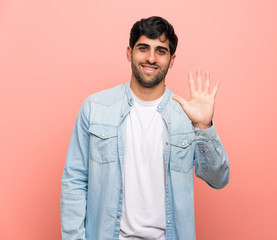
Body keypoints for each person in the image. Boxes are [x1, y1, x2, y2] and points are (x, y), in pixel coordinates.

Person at [61, 16, 230, 240]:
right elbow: (74, 180)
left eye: (161, 51)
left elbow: (218, 179)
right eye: (143, 48)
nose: (151, 58)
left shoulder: (186, 116)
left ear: (171, 60)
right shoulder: (95, 108)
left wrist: (203, 126)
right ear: (129, 53)